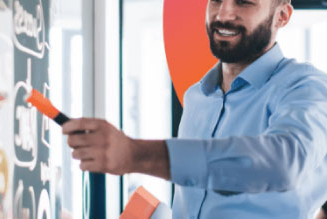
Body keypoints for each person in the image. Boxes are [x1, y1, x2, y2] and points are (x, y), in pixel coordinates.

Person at [63, 0, 327, 218]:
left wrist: (135, 154)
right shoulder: (197, 97)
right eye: (216, 1)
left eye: (244, 2)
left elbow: (283, 163)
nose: (224, 13)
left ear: (282, 16)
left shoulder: (306, 88)